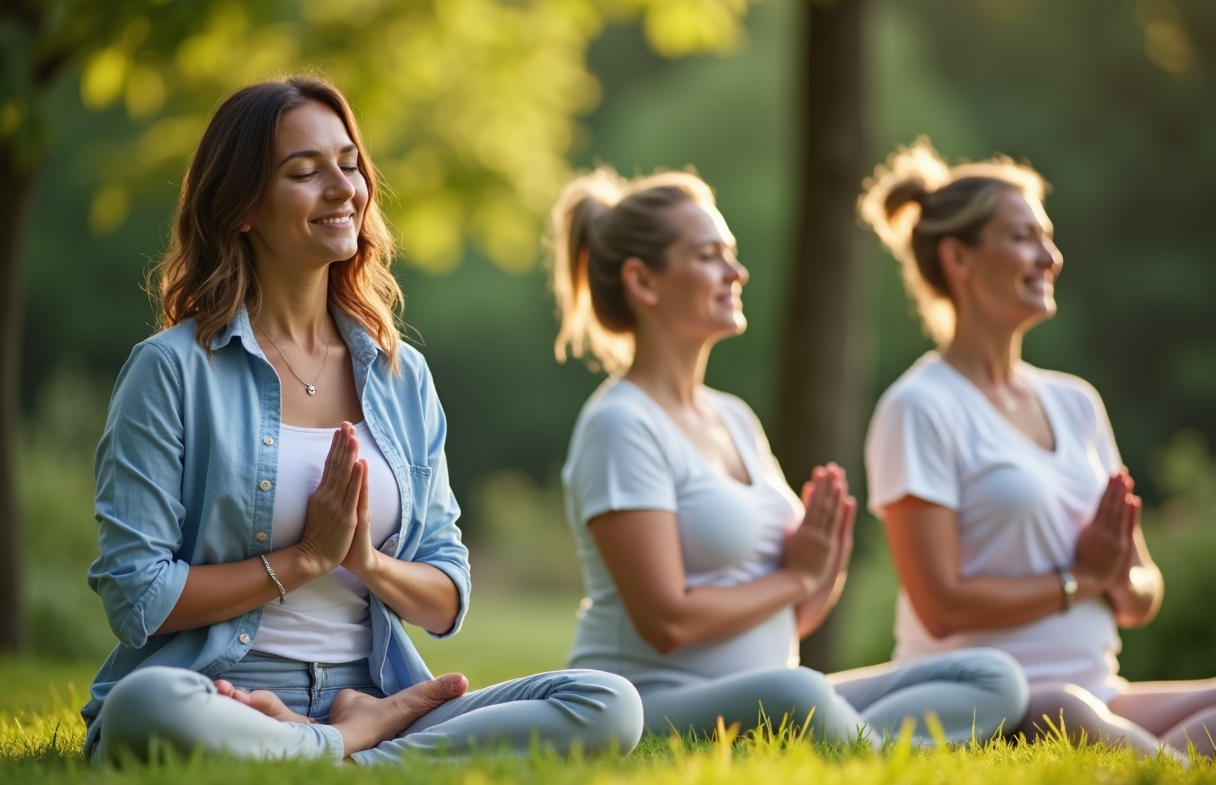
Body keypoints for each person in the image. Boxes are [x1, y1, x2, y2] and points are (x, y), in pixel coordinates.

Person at [82, 76, 643, 765]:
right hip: (218, 691)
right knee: (144, 709)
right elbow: (137, 599)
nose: (342, 188)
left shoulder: (400, 374)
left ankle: (332, 751)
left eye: (349, 165)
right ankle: (351, 747)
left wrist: (367, 562)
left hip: (371, 688)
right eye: (304, 171)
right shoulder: (171, 370)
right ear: (243, 207)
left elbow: (444, 598)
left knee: (606, 702)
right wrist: (302, 560)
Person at [548, 166, 1029, 745]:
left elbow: (789, 614)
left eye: (730, 254)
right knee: (799, 693)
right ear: (643, 282)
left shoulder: (735, 419)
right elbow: (667, 622)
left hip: (768, 691)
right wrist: (799, 576)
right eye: (709, 256)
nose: (737, 272)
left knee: (990, 674)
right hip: (656, 703)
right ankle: (869, 753)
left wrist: (825, 565)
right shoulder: (620, 424)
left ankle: (849, 742)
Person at [860, 138, 1216, 757]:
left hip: (1102, 687)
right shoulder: (919, 408)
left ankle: (1167, 763)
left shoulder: (1076, 402)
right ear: (958, 258)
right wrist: (1079, 579)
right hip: (988, 700)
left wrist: (1116, 575)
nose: (1048, 256)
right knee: (1066, 712)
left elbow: (1139, 590)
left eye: (1047, 238)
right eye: (1024, 238)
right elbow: (940, 605)